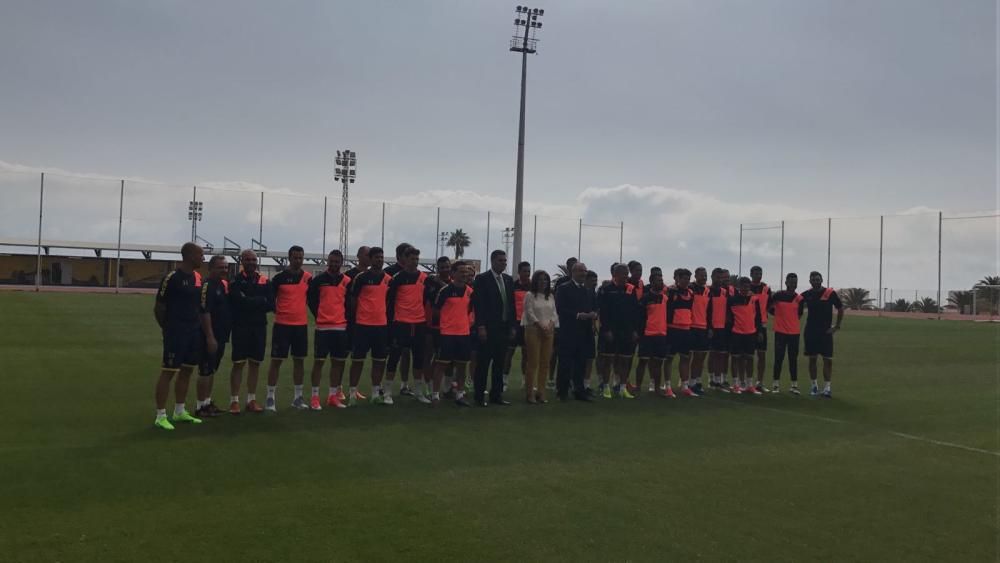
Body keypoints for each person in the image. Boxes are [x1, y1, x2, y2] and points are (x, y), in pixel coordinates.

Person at [152, 242, 206, 430]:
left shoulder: (198, 277)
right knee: (168, 372)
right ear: (190, 256)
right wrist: (168, 329)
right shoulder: (172, 278)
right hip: (176, 333)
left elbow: (199, 306)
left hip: (193, 332)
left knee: (187, 371)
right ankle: (160, 415)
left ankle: (179, 411)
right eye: (200, 254)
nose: (203, 258)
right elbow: (159, 307)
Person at [265, 245, 312, 412]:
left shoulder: (307, 277)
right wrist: (276, 309)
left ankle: (297, 398)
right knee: (276, 361)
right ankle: (270, 398)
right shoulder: (279, 278)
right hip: (282, 326)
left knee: (299, 361)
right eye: (295, 258)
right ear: (289, 258)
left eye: (301, 258)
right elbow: (271, 299)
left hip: (301, 326)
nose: (298, 261)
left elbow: (312, 300)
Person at [306, 250, 351, 410]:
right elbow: (311, 300)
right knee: (319, 363)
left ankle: (333, 396)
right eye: (331, 261)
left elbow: (349, 304)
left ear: (341, 262)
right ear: (327, 261)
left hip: (340, 327)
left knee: (337, 363)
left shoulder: (347, 281)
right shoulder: (318, 280)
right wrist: (319, 313)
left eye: (337, 262)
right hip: (323, 328)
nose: (334, 264)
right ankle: (315, 397)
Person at [347, 247, 392, 405]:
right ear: (371, 259)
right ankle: (352, 394)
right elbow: (353, 301)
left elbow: (387, 300)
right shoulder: (361, 277)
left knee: (379, 361)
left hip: (381, 325)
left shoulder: (388, 279)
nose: (380, 260)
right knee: (358, 361)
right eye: (376, 257)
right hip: (363, 325)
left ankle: (375, 394)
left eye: (381, 257)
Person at [228, 249, 271, 414]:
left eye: (254, 260)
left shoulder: (265, 281)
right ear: (242, 261)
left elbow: (270, 304)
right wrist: (259, 301)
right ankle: (234, 400)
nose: (251, 263)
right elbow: (238, 302)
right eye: (248, 260)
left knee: (255, 364)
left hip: (259, 327)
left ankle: (251, 399)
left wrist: (249, 301)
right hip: (240, 327)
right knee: (238, 364)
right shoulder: (235, 281)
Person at [472, 249, 517, 407]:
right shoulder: (482, 279)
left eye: (505, 261)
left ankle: (496, 395)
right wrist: (481, 326)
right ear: (492, 261)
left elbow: (511, 305)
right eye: (500, 260)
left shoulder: (508, 280)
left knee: (500, 363)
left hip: (504, 327)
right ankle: (478, 396)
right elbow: (479, 304)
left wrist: (512, 326)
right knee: (484, 363)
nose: (503, 263)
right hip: (489, 327)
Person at [386, 246, 429, 402]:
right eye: (412, 259)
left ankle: (418, 392)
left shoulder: (424, 278)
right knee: (394, 358)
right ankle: (387, 392)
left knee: (418, 358)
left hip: (419, 323)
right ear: (405, 259)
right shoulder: (397, 278)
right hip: (401, 323)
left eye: (417, 259)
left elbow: (426, 299)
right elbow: (390, 301)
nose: (415, 262)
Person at [431, 262, 474, 407]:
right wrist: (447, 322)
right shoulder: (445, 290)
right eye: (461, 272)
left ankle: (460, 394)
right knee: (441, 365)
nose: (464, 275)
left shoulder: (470, 291)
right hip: (447, 333)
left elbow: (470, 310)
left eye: (466, 272)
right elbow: (436, 311)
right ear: (453, 273)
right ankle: (435, 394)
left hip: (464, 333)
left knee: (461, 366)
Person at [597, 263, 640, 399]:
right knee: (608, 359)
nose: (626, 276)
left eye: (627, 273)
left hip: (626, 330)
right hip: (610, 330)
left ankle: (622, 387)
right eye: (623, 273)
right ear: (615, 275)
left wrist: (634, 330)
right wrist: (606, 329)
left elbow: (635, 311)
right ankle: (605, 387)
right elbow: (602, 311)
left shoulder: (631, 289)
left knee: (625, 360)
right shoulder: (606, 289)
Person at [555, 262, 597, 402]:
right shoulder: (563, 288)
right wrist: (577, 315)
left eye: (585, 271)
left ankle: (579, 391)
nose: (584, 274)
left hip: (584, 332)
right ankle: (562, 391)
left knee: (581, 363)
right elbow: (560, 309)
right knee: (565, 363)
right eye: (581, 271)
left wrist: (592, 314)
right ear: (573, 272)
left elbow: (592, 307)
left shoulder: (587, 290)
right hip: (568, 332)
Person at [195, 255, 231, 418]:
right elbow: (204, 312)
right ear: (210, 268)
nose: (224, 270)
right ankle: (199, 406)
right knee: (205, 371)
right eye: (220, 267)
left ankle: (207, 403)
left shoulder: (222, 285)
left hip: (221, 335)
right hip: (209, 337)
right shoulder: (207, 286)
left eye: (225, 267)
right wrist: (210, 336)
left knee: (211, 370)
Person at [800, 271, 844, 398]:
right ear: (810, 281)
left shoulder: (830, 293)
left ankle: (827, 388)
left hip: (825, 332)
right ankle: (814, 386)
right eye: (813, 279)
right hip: (811, 332)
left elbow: (840, 308)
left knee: (827, 361)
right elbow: (794, 302)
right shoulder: (806, 295)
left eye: (817, 279)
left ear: (821, 280)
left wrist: (837, 326)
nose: (815, 281)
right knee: (812, 360)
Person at [521, 269, 557, 403]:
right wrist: (539, 325)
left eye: (546, 279)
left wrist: (550, 325)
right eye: (540, 279)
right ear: (535, 281)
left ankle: (541, 392)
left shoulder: (550, 296)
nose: (543, 282)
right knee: (533, 362)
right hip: (533, 330)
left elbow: (554, 313)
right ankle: (529, 393)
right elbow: (529, 312)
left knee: (545, 363)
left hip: (548, 331)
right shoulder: (530, 295)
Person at [384, 242, 415, 396]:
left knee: (406, 352)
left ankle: (404, 384)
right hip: (391, 320)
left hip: (409, 320)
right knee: (390, 353)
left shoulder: (415, 274)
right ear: (400, 256)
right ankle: (383, 386)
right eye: (407, 255)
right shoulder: (389, 273)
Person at [422, 256, 452, 402]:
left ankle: (437, 386)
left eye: (447, 267)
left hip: (445, 326)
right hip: (430, 325)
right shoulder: (430, 281)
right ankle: (427, 385)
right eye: (442, 267)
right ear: (437, 268)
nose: (445, 270)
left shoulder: (453, 284)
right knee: (427, 356)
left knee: (441, 359)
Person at [665, 268, 698, 398]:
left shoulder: (691, 293)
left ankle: (685, 386)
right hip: (672, 329)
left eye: (688, 279)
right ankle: (667, 386)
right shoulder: (671, 291)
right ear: (677, 279)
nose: (686, 281)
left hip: (686, 329)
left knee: (685, 358)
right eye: (684, 278)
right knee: (669, 359)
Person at [727, 276, 763, 394]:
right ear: (739, 286)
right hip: (736, 332)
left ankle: (749, 385)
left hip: (751, 333)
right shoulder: (732, 300)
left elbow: (758, 317)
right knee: (735, 358)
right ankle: (736, 384)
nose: (745, 288)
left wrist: (759, 331)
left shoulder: (754, 299)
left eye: (747, 286)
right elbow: (728, 318)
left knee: (750, 358)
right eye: (743, 286)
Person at [770, 273, 804, 394]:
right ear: (786, 283)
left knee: (792, 359)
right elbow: (769, 307)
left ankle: (794, 385)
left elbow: (799, 314)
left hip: (794, 333)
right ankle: (775, 385)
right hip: (780, 332)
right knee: (778, 358)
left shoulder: (799, 298)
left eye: (795, 282)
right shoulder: (778, 295)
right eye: (791, 282)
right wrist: (779, 316)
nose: (793, 284)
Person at [548, 256, 578, 390]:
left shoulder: (580, 282)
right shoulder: (561, 282)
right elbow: (556, 301)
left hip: (575, 323)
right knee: (555, 351)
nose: (572, 268)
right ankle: (550, 378)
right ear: (567, 267)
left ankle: (570, 379)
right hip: (560, 321)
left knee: (572, 353)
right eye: (571, 265)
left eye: (575, 265)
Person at [637, 270, 668, 395]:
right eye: (658, 280)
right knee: (643, 361)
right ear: (651, 282)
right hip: (647, 334)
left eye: (661, 280)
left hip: (661, 335)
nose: (661, 282)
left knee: (658, 363)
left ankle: (656, 388)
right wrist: (640, 333)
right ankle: (638, 387)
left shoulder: (665, 297)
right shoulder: (645, 298)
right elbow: (640, 317)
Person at [505, 261, 532, 391]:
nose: (527, 273)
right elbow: (509, 305)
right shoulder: (513, 285)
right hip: (515, 324)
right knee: (508, 353)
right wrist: (511, 325)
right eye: (524, 271)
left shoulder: (533, 287)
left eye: (528, 271)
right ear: (519, 272)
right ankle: (504, 381)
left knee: (526, 354)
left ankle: (525, 381)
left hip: (528, 324)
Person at [706, 268, 732, 391]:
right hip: (711, 327)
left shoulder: (724, 292)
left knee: (720, 354)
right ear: (712, 277)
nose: (720, 279)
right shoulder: (708, 291)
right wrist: (709, 327)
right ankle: (710, 379)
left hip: (722, 327)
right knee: (711, 354)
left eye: (721, 277)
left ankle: (717, 380)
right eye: (717, 277)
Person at [749, 265, 773, 393]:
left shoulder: (766, 288)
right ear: (751, 274)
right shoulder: (747, 287)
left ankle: (760, 382)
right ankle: (748, 382)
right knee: (748, 355)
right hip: (748, 325)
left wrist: (764, 314)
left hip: (762, 325)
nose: (758, 275)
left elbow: (770, 305)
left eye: (760, 273)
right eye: (756, 273)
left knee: (762, 354)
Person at [688, 266, 711, 395]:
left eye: (705, 275)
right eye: (702, 275)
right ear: (696, 276)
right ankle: (687, 383)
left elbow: (709, 311)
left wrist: (709, 327)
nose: (704, 277)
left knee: (700, 357)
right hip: (691, 327)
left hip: (703, 327)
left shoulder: (708, 291)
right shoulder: (691, 288)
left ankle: (695, 381)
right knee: (689, 356)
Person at [582, 270, 600, 393]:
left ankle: (586, 384)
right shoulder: (580, 292)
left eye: (596, 281)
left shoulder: (594, 294)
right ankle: (576, 382)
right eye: (592, 280)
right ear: (586, 280)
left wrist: (594, 322)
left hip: (589, 329)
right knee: (579, 358)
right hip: (578, 329)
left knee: (590, 357)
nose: (595, 283)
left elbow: (596, 310)